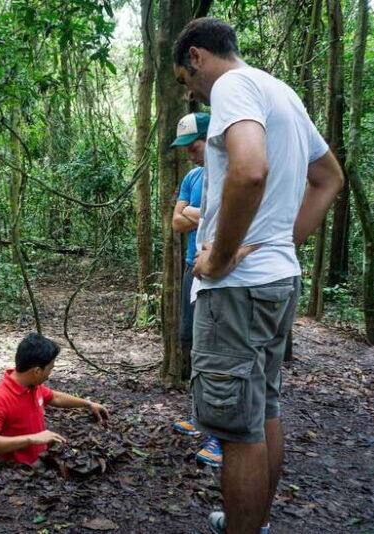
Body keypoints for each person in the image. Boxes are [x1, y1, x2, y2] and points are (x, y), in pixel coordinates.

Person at [173, 18, 343, 534]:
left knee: (236, 428)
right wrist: (283, 243)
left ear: (197, 57)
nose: (195, 95)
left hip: (238, 289)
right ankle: (254, 522)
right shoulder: (282, 91)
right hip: (276, 281)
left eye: (187, 81)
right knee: (263, 409)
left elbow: (249, 169)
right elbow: (328, 177)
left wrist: (221, 257)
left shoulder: (233, 85)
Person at [169, 112, 223, 468]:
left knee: (223, 351)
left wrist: (195, 213)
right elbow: (176, 221)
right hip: (194, 268)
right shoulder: (193, 176)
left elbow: (229, 218)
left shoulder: (230, 172)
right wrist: (207, 215)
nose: (189, 152)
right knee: (197, 344)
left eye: (194, 144)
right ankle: (201, 416)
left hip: (223, 272)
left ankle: (221, 434)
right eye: (185, 147)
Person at [0, 333, 110, 465]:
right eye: (50, 368)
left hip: (41, 464)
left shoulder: (32, 385)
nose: (50, 374)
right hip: (17, 473)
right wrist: (31, 439)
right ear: (37, 371)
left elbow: (55, 397)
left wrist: (88, 404)